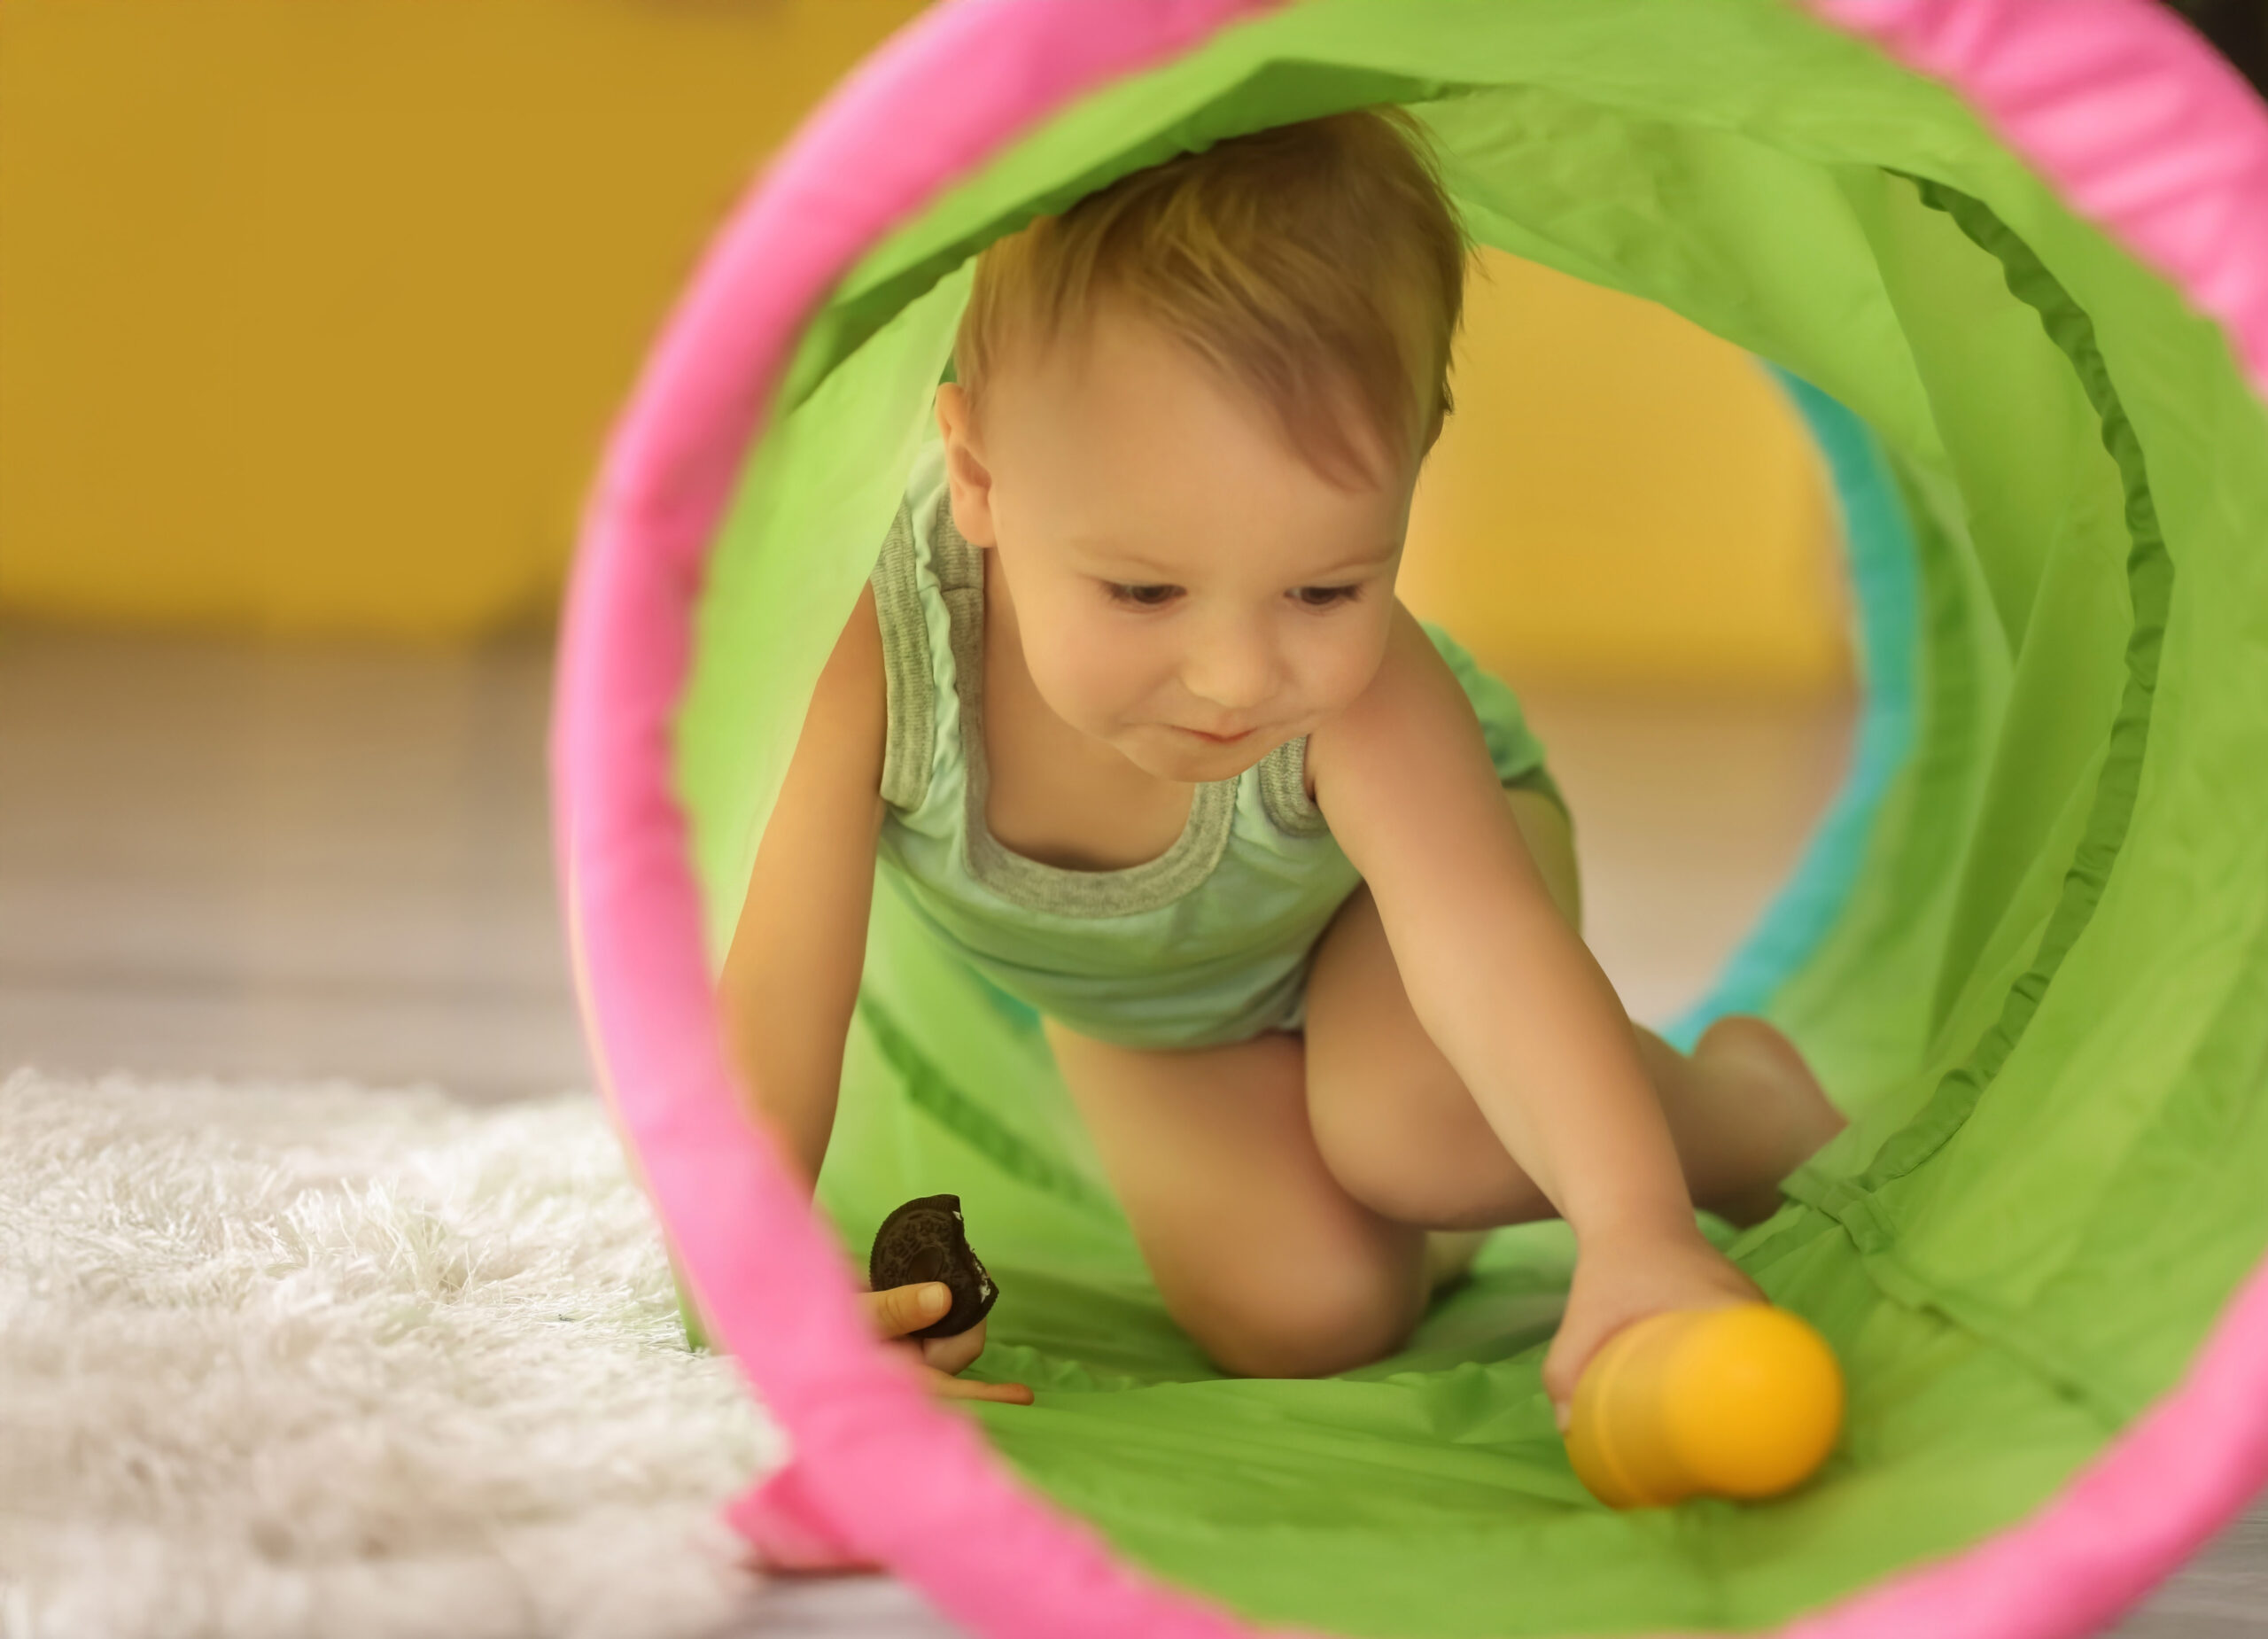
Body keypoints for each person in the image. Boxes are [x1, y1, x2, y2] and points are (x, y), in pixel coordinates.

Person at [718, 110, 1845, 1422]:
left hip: (1388, 898)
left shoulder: (1365, 701)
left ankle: (1736, 1115)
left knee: (1411, 1126)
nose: (1243, 677)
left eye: (1324, 586)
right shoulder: (876, 640)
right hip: (1147, 1000)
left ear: (1418, 457)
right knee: (1307, 1318)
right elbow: (777, 994)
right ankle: (1450, 1177)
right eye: (1144, 590)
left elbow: (1482, 943)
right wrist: (763, 1294)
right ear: (976, 473)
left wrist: (1637, 1231)